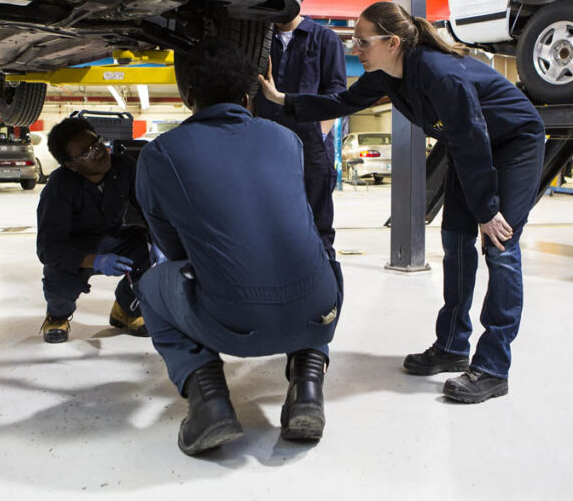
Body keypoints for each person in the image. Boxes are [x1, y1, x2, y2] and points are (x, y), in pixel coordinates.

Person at [259, 1, 545, 404]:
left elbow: (473, 136)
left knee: (499, 246)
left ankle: (494, 367)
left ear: (392, 42)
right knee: (456, 243)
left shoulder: (440, 74)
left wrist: (488, 209)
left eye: (362, 41)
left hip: (512, 143)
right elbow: (343, 103)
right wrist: (283, 98)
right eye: (353, 41)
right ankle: (452, 346)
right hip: (469, 147)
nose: (355, 48)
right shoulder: (390, 75)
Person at [135, 46, 343, 455]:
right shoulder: (286, 139)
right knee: (320, 262)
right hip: (318, 313)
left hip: (233, 323)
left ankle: (208, 400)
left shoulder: (161, 152)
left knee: (150, 285)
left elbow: (170, 246)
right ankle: (307, 386)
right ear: (248, 99)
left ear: (189, 97)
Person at [36, 117, 151, 342]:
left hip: (113, 238)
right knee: (58, 279)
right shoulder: (59, 187)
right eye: (87, 153)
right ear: (71, 164)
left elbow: (149, 209)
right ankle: (57, 315)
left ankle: (126, 309)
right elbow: (47, 248)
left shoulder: (124, 167)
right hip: (74, 250)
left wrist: (162, 242)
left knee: (150, 244)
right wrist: (94, 261)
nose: (99, 153)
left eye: (97, 143)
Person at [253, 14, 347, 256]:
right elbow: (251, 92)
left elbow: (336, 95)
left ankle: (326, 289)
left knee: (317, 228)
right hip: (265, 146)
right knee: (267, 224)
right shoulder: (260, 39)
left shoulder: (325, 38)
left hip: (311, 147)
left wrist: (320, 135)